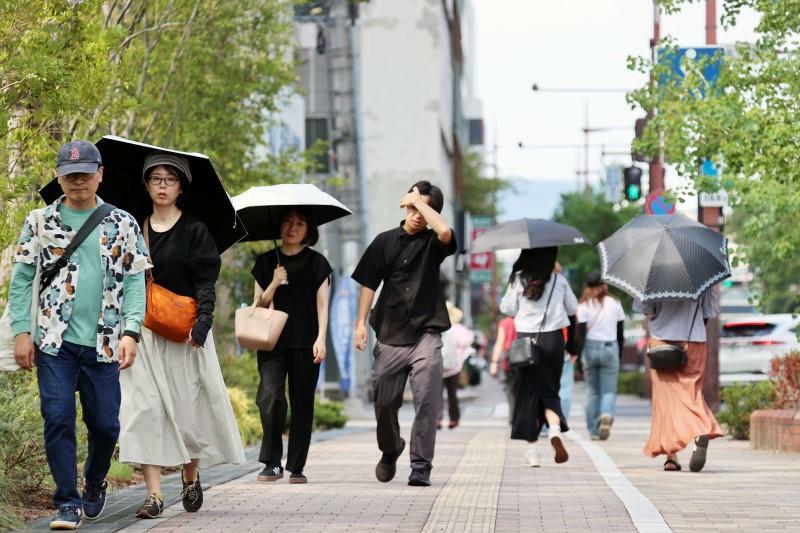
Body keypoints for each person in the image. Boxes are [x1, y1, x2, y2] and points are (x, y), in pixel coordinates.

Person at [9, 140, 149, 530]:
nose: (79, 181)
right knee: (57, 418)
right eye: (71, 175)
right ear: (59, 176)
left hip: (105, 343)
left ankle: (95, 479)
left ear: (100, 173)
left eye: (86, 174)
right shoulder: (40, 221)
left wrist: (131, 331)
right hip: (54, 341)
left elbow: (136, 281)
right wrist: (23, 331)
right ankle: (66, 503)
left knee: (106, 425)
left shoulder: (123, 222)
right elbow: (20, 282)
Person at [119, 153, 245, 519]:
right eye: (155, 179)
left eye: (169, 180)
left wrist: (202, 324)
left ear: (181, 187)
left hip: (184, 332)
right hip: (142, 331)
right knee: (144, 411)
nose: (162, 185)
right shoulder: (133, 229)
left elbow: (206, 280)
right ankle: (154, 495)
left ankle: (190, 476)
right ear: (145, 185)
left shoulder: (195, 230)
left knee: (186, 412)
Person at [352, 180, 456, 487]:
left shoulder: (433, 242)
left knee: (426, 399)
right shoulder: (384, 242)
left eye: (423, 209)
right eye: (411, 207)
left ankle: (421, 465)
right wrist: (360, 324)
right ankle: (391, 447)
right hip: (390, 333)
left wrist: (420, 202)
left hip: (427, 332)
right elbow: (369, 284)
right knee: (384, 400)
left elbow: (447, 234)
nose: (416, 214)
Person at [251, 207, 332, 485]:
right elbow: (258, 305)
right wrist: (273, 282)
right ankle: (272, 462)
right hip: (272, 341)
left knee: (302, 403)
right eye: (287, 221)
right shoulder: (266, 263)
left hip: (306, 342)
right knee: (270, 397)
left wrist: (321, 338)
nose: (293, 227)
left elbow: (323, 304)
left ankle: (296, 465)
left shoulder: (317, 263)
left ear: (308, 230)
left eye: (300, 223)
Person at [499, 247, 578, 468]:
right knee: (550, 392)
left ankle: (532, 452)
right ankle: (554, 430)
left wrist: (512, 284)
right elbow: (573, 309)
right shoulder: (558, 280)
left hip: (526, 343)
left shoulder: (519, 278)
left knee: (528, 395)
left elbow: (506, 308)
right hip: (553, 341)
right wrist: (572, 346)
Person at [636, 288, 723, 472]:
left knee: (665, 401)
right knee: (692, 392)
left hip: (662, 341)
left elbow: (645, 308)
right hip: (694, 340)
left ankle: (671, 457)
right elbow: (708, 312)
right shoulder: (702, 273)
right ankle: (700, 432)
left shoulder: (653, 276)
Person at [576, 271, 625, 441]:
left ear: (587, 286)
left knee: (593, 391)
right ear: (604, 285)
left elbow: (581, 335)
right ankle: (606, 414)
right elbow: (620, 334)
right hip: (610, 348)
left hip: (589, 348)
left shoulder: (582, 306)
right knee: (609, 391)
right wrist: (620, 354)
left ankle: (593, 430)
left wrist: (578, 359)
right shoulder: (615, 303)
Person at [439, 302, 473, 430]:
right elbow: (466, 342)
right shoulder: (458, 329)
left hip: (438, 366)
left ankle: (438, 418)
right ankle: (454, 419)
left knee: (437, 394)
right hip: (454, 367)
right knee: (452, 394)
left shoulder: (437, 327)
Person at [489, 316, 517, 422]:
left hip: (510, 360)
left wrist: (494, 363)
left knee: (510, 390)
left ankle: (513, 418)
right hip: (527, 358)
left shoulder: (504, 323)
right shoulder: (526, 318)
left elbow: (500, 343)